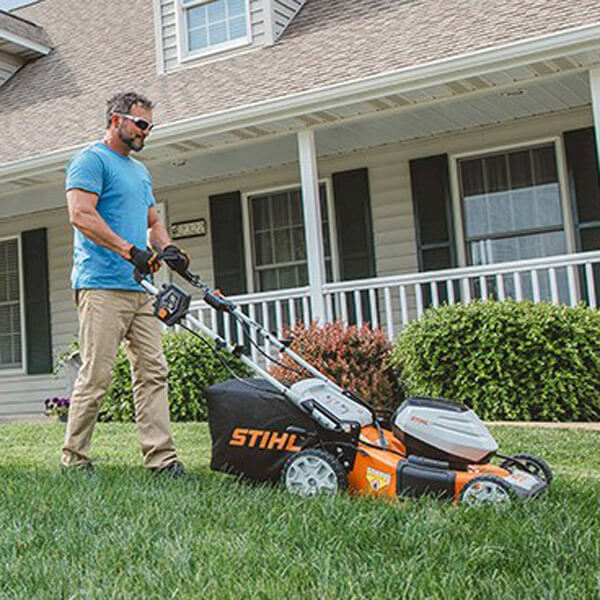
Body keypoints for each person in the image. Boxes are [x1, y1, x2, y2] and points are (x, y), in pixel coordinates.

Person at [61, 91, 190, 476]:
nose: (146, 132)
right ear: (116, 120)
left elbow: (153, 222)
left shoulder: (140, 171)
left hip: (141, 290)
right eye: (141, 124)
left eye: (150, 125)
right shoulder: (90, 161)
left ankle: (161, 459)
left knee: (153, 371)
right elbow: (80, 215)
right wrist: (127, 250)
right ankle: (75, 459)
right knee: (97, 374)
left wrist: (168, 249)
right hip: (101, 285)